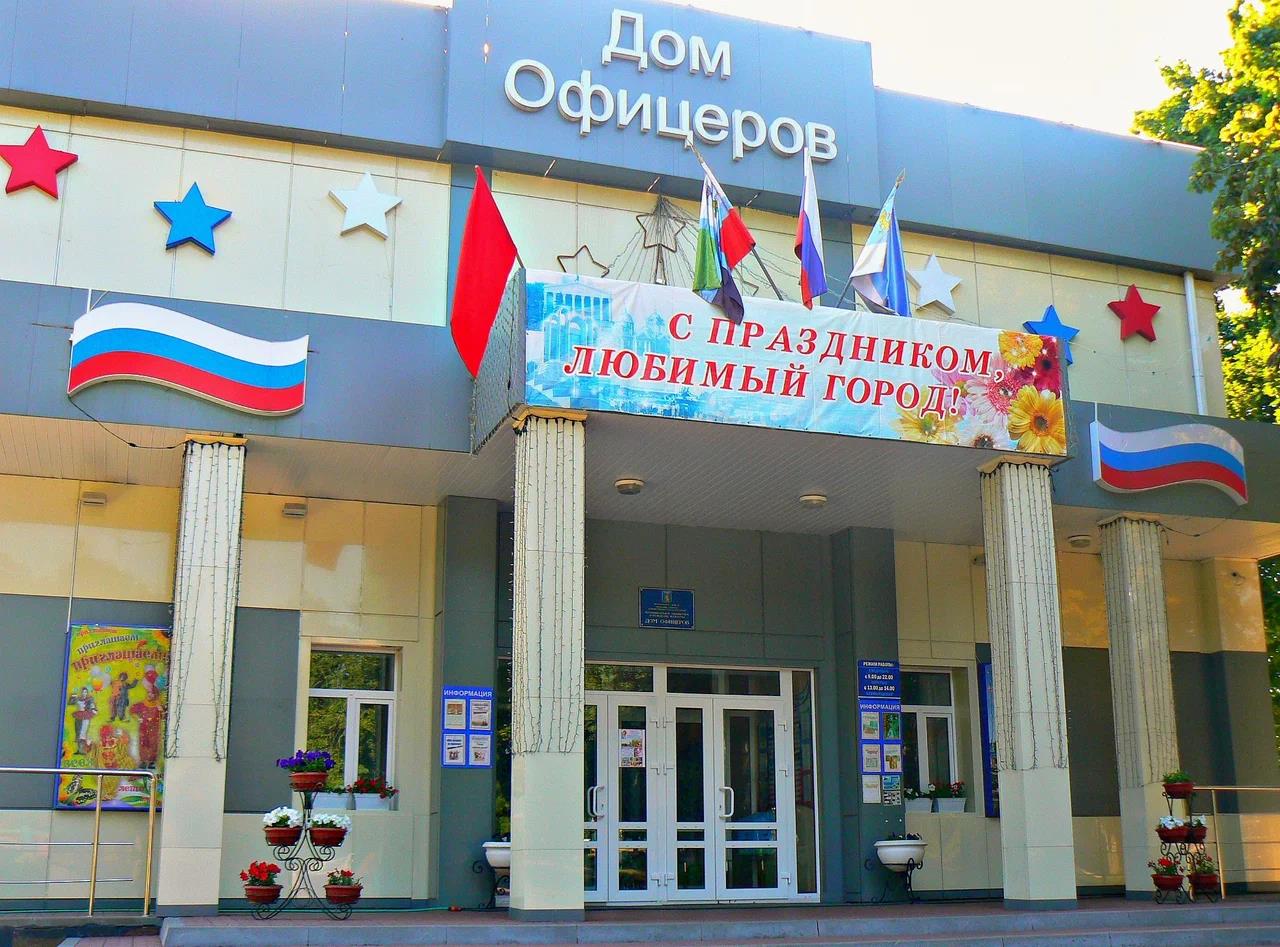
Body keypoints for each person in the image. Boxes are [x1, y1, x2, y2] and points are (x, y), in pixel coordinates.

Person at [67, 687, 97, 755]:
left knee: (82, 733)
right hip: (78, 716)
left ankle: (83, 749)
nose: (84, 693)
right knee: (78, 733)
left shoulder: (89, 699)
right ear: (81, 692)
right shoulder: (78, 699)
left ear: (87, 693)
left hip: (85, 716)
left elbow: (93, 706)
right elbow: (70, 703)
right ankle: (79, 750)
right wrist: (73, 696)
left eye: (85, 692)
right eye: (83, 692)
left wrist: (94, 710)